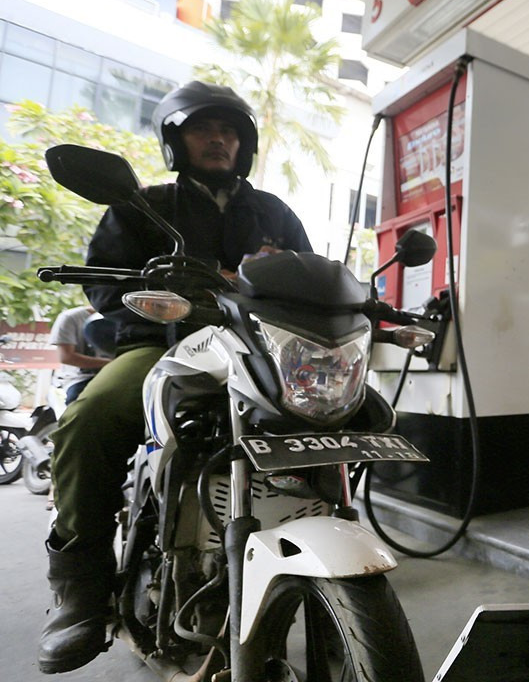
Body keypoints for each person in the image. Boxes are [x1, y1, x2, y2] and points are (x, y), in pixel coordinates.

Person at [38, 81, 313, 674]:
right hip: (161, 347)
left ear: (245, 144)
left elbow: (311, 276)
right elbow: (102, 286)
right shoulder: (144, 205)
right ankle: (80, 590)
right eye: (202, 129)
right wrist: (157, 293)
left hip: (260, 352)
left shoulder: (274, 212)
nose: (218, 139)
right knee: (90, 419)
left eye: (230, 131)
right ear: (175, 140)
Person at [46, 305, 110, 405]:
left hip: (114, 375)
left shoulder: (128, 319)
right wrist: (113, 363)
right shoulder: (70, 317)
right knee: (80, 407)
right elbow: (66, 357)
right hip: (79, 378)